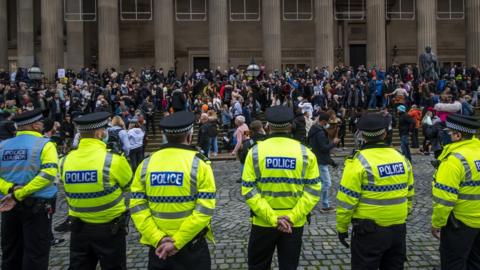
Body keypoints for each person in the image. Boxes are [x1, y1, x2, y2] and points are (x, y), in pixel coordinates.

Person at [129, 111, 216, 269]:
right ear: (189, 135)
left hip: (158, 248)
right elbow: (205, 209)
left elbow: (137, 207)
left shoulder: (145, 165)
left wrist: (158, 238)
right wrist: (178, 241)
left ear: (165, 135)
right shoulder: (200, 165)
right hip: (192, 246)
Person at [241, 105, 321, 270]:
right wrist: (291, 217)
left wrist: (272, 218)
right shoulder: (306, 153)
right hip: (294, 224)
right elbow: (313, 192)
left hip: (262, 222)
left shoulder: (254, 152)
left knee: (258, 265)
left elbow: (249, 190)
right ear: (291, 125)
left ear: (268, 126)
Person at [336, 113, 414, 270]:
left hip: (369, 231)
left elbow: (347, 200)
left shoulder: (358, 161)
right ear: (385, 133)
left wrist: (342, 227)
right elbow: (409, 192)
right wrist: (403, 213)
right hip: (398, 228)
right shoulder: (401, 158)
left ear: (363, 135)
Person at [59, 111, 132, 270]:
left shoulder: (64, 160)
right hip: (110, 229)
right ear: (100, 133)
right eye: (104, 130)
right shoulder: (113, 159)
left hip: (79, 227)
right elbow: (128, 185)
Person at [0, 109, 58, 270]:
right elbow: (48, 174)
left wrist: (10, 189)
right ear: (36, 125)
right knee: (36, 253)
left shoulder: (2, 145)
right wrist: (19, 194)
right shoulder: (45, 145)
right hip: (37, 206)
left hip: (8, 205)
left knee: (10, 253)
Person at [431, 114, 480, 270]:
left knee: (453, 263)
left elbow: (444, 199)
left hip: (460, 223)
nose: (448, 136)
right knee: (475, 262)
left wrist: (437, 223)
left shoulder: (454, 160)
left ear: (458, 135)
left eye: (450, 133)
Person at [307, 112, 339, 213]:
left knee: (319, 183)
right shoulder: (320, 132)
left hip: (316, 159)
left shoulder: (314, 130)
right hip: (320, 161)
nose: (329, 123)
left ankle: (319, 202)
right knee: (327, 183)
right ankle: (324, 205)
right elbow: (324, 148)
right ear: (324, 121)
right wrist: (333, 143)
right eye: (328, 121)